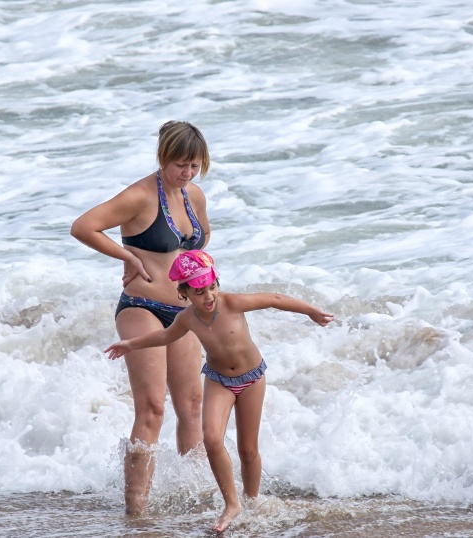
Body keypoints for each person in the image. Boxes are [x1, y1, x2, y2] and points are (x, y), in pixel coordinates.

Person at [105, 250, 334, 532]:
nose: (209, 296)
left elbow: (274, 299)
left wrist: (311, 311)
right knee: (212, 438)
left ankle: (252, 502)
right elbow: (165, 336)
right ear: (184, 292)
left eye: (212, 287)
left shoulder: (232, 303)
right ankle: (232, 504)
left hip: (252, 378)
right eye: (199, 292)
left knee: (248, 449)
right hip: (218, 380)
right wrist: (130, 344)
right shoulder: (187, 318)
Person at [70, 121, 211, 515]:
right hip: (141, 307)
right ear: (163, 158)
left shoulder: (194, 196)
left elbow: (198, 246)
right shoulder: (139, 195)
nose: (187, 173)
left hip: (185, 312)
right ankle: (136, 511)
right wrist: (128, 256)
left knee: (191, 405)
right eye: (181, 165)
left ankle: (195, 499)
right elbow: (83, 227)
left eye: (195, 166)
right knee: (152, 408)